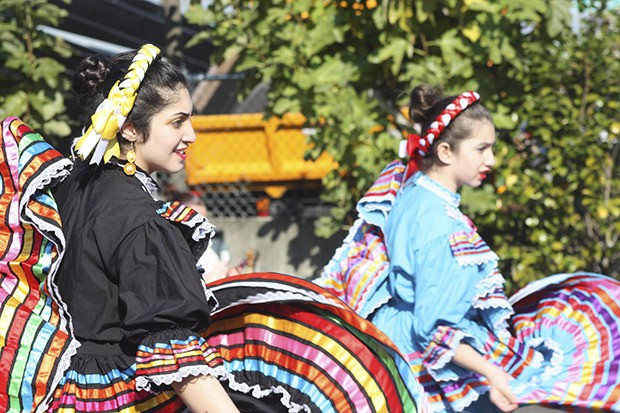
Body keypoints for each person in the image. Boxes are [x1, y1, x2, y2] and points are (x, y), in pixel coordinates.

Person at [0, 45, 434, 413]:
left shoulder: (77, 185)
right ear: (130, 128)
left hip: (65, 389)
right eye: (176, 122)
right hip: (115, 395)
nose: (191, 134)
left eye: (190, 119)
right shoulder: (137, 218)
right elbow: (170, 350)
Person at [316, 84, 620, 412]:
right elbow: (434, 328)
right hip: (424, 360)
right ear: (446, 152)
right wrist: (493, 373)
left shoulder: (411, 191)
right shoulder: (444, 228)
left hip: (393, 341)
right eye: (481, 149)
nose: (491, 159)